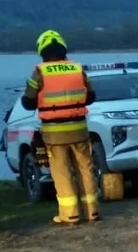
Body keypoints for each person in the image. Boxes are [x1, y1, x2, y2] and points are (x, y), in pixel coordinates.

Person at [21, 29, 100, 225]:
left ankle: (70, 214)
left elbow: (29, 102)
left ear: (42, 50)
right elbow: (91, 97)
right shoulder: (77, 69)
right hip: (79, 129)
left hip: (54, 134)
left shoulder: (40, 72)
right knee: (85, 169)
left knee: (62, 172)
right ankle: (92, 212)